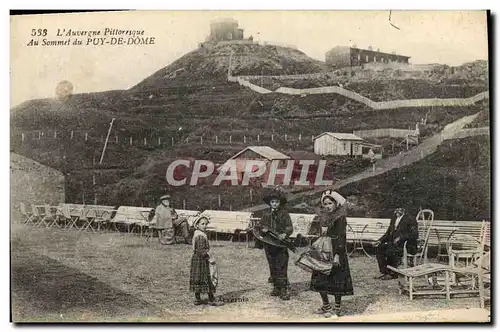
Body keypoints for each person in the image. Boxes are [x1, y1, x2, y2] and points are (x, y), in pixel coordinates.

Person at [310, 190, 354, 318]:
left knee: (336, 279)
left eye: (330, 203)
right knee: (320, 277)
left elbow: (341, 237)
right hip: (322, 251)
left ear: (336, 204)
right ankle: (326, 305)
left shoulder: (340, 218)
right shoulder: (322, 217)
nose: (327, 206)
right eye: (325, 204)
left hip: (335, 251)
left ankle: (337, 308)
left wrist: (338, 254)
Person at [259, 188, 293, 300]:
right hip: (269, 244)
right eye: (272, 202)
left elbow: (289, 227)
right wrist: (262, 230)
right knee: (272, 264)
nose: (274, 204)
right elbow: (260, 226)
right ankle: (276, 287)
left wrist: (285, 233)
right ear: (269, 203)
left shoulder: (284, 214)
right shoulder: (265, 214)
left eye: (277, 202)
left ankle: (283, 289)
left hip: (280, 244)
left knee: (281, 264)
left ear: (280, 203)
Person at [374, 208, 419, 280]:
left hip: (407, 245)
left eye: (399, 209)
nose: (397, 211)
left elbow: (414, 235)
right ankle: (384, 272)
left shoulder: (410, 219)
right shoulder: (394, 218)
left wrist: (401, 238)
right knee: (379, 248)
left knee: (390, 248)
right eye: (396, 209)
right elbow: (388, 233)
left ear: (404, 210)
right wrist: (380, 240)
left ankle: (392, 274)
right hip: (394, 244)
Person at [189, 216, 224, 306]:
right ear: (197, 225)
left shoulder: (199, 234)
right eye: (202, 224)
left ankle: (198, 298)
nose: (204, 226)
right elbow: (201, 250)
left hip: (198, 259)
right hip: (201, 260)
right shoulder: (200, 235)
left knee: (199, 277)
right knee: (206, 277)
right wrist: (208, 257)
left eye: (206, 224)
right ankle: (211, 298)